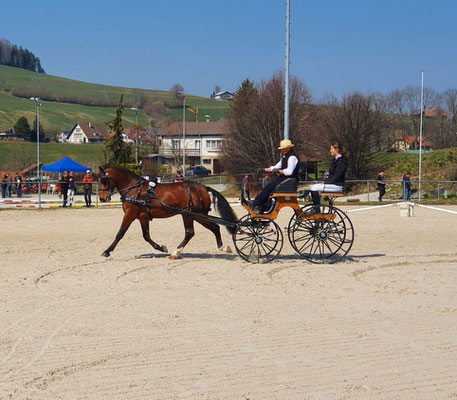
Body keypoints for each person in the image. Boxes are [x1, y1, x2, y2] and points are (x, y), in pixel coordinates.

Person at [250, 139, 299, 212]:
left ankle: (255, 203)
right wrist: (264, 170)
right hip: (284, 178)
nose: (282, 150)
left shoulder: (292, 157)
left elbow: (289, 171)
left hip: (289, 179)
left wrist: (278, 171)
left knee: (269, 187)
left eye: (283, 149)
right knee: (270, 187)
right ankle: (263, 206)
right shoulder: (285, 157)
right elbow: (276, 167)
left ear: (288, 148)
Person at [307, 142, 348, 215]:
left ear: (337, 150)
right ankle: (317, 207)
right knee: (315, 187)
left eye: (332, 149)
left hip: (337, 185)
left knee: (314, 188)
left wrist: (327, 182)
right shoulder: (336, 160)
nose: (330, 151)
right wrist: (325, 182)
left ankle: (316, 209)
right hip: (333, 184)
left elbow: (337, 176)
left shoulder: (341, 161)